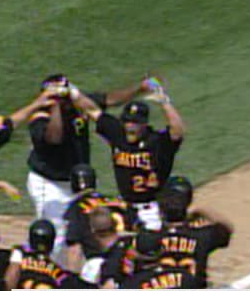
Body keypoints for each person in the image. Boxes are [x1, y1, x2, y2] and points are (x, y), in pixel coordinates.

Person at [25, 75, 151, 261]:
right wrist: (56, 107)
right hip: (50, 183)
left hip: (77, 181)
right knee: (58, 232)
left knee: (85, 223)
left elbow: (110, 99)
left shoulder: (77, 102)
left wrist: (140, 87)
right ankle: (49, 272)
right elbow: (54, 137)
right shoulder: (40, 116)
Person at [73, 79, 185, 230]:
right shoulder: (117, 133)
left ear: (144, 124)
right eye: (127, 121)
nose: (129, 126)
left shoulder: (157, 142)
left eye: (135, 123)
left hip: (152, 210)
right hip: (125, 207)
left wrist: (165, 103)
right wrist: (71, 91)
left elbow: (177, 131)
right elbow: (93, 110)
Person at [144, 176, 233, 287]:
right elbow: (225, 232)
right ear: (188, 201)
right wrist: (202, 214)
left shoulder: (149, 238)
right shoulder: (202, 235)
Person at [62, 163, 137, 272]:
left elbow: (74, 248)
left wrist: (72, 280)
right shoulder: (117, 201)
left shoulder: (76, 207)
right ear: (95, 182)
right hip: (130, 261)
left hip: (101, 264)